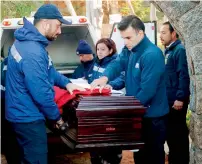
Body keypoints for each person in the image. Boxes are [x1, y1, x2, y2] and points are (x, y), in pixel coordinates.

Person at [5, 4, 85, 164]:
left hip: (21, 114)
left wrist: (67, 83)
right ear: (45, 23)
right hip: (28, 118)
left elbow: (50, 71)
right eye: (58, 25)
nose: (60, 31)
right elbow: (41, 93)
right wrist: (57, 119)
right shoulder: (32, 51)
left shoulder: (31, 43)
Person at [91, 15, 169, 164]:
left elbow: (147, 91)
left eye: (128, 37)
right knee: (140, 157)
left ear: (140, 33)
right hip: (139, 113)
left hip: (153, 118)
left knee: (151, 157)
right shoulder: (130, 49)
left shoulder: (152, 55)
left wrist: (126, 112)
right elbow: (117, 64)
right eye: (123, 38)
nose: (125, 42)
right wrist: (105, 77)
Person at [160, 21, 190, 164]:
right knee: (172, 137)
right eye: (160, 32)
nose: (161, 35)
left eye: (164, 32)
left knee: (178, 138)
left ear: (173, 33)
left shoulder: (179, 50)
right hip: (169, 102)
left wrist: (180, 98)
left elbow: (183, 75)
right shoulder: (169, 51)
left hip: (176, 103)